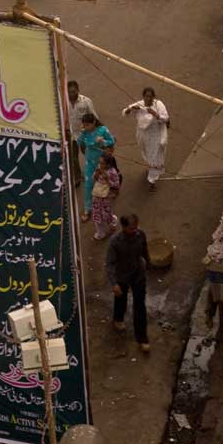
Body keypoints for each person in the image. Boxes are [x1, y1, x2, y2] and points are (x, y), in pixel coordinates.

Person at [107, 212, 152, 354]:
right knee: (121, 299)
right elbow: (110, 264)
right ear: (124, 227)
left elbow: (145, 251)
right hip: (122, 276)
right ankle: (118, 318)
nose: (135, 231)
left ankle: (142, 338)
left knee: (140, 305)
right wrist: (114, 283)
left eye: (136, 227)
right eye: (132, 228)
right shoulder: (115, 242)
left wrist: (148, 264)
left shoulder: (141, 235)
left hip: (138, 274)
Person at [123, 88, 170, 185]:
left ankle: (152, 179)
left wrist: (156, 114)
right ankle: (152, 167)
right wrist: (130, 109)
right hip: (142, 135)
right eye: (146, 96)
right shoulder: (140, 104)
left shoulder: (158, 104)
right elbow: (124, 113)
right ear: (143, 96)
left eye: (150, 96)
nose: (148, 99)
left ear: (153, 97)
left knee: (154, 155)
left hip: (155, 135)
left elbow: (165, 118)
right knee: (146, 154)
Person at [77, 111, 116, 219]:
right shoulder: (84, 132)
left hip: (102, 163)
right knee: (88, 184)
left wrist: (103, 141)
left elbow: (112, 141)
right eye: (84, 125)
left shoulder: (102, 130)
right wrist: (81, 133)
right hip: (89, 162)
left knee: (104, 182)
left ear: (94, 122)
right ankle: (87, 208)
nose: (86, 127)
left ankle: (105, 204)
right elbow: (79, 142)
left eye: (88, 125)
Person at [65, 80, 99, 202]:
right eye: (69, 92)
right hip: (71, 136)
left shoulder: (85, 101)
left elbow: (94, 117)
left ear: (78, 90)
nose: (71, 94)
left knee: (90, 156)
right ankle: (78, 178)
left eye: (74, 91)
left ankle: (97, 174)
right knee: (73, 158)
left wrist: (100, 132)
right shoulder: (63, 102)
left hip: (85, 135)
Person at [89, 145, 123, 240]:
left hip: (106, 197)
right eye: (99, 163)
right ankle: (100, 233)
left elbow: (116, 185)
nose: (100, 165)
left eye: (102, 163)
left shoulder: (112, 172)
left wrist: (108, 179)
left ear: (108, 164)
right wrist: (96, 174)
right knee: (97, 215)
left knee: (106, 214)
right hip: (96, 196)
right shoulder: (99, 169)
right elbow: (94, 179)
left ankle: (112, 221)